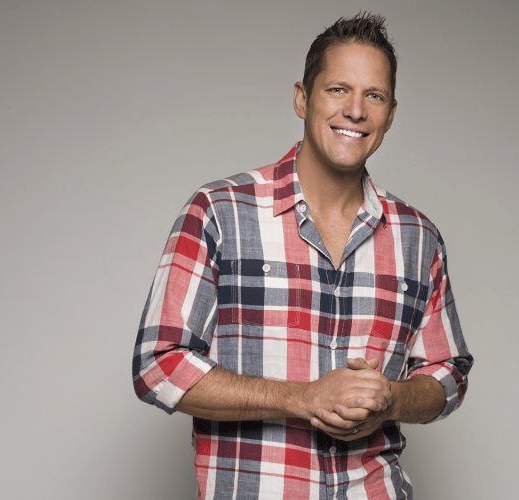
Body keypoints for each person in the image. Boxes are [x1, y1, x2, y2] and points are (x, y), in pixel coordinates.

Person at [132, 12, 473, 499]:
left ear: (390, 113)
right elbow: (158, 365)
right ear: (302, 98)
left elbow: (449, 373)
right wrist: (302, 398)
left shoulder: (418, 237)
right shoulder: (220, 212)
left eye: (373, 95)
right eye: (338, 89)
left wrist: (392, 399)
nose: (355, 110)